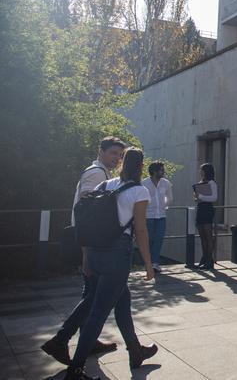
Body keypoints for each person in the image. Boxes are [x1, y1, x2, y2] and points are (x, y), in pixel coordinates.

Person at [64, 147, 158, 380]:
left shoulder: (104, 185)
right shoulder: (139, 191)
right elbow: (140, 230)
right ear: (141, 165)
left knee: (122, 302)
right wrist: (148, 264)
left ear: (122, 162)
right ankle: (75, 370)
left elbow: (87, 222)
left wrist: (86, 256)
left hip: (95, 252)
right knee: (98, 314)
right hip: (116, 255)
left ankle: (135, 351)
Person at [42, 136, 126, 365]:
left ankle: (88, 340)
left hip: (94, 244)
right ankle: (61, 340)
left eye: (119, 155)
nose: (116, 159)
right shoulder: (95, 173)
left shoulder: (102, 173)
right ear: (101, 151)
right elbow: (87, 214)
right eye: (113, 154)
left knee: (91, 294)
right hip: (92, 244)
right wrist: (87, 252)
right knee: (92, 297)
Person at [142, 161, 173, 274]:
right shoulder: (144, 183)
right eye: (161, 170)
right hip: (148, 216)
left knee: (159, 239)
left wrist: (162, 206)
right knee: (149, 239)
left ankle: (155, 263)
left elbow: (169, 198)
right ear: (154, 172)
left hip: (161, 215)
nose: (163, 172)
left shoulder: (166, 183)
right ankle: (148, 263)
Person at [194, 163, 218, 270]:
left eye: (202, 170)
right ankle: (204, 258)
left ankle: (209, 260)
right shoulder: (200, 183)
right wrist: (196, 197)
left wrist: (201, 196)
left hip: (207, 209)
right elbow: (198, 197)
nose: (200, 172)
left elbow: (214, 198)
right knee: (202, 236)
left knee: (208, 235)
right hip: (200, 209)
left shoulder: (211, 183)